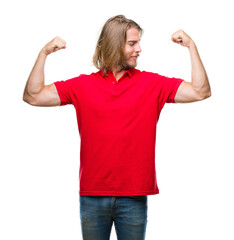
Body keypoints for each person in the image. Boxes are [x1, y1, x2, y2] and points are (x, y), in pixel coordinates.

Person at [23, 15, 211, 240]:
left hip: (133, 195)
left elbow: (201, 91)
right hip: (93, 194)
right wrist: (43, 54)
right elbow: (33, 96)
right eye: (132, 43)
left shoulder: (152, 84)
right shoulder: (82, 85)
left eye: (138, 42)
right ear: (114, 44)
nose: (139, 49)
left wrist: (191, 47)